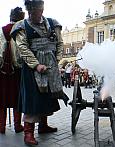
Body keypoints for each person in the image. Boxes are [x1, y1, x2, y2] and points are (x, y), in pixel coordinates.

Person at [11, 0, 69, 145]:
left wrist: (57, 60)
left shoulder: (52, 23)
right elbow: (23, 48)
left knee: (47, 96)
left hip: (50, 65)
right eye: (30, 12)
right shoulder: (21, 26)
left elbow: (60, 43)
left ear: (41, 10)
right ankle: (28, 132)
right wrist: (36, 65)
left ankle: (43, 126)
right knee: (32, 98)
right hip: (32, 69)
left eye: (35, 11)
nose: (32, 14)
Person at [0, 7, 25, 134]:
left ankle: (1, 126)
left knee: (2, 98)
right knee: (16, 98)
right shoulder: (20, 31)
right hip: (16, 71)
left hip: (2, 71)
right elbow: (21, 52)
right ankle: (17, 125)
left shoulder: (1, 30)